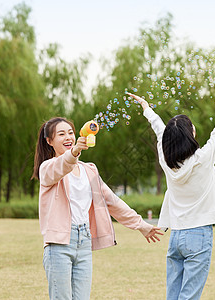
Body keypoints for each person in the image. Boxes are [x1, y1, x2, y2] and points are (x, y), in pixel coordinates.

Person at [128, 72, 215, 299]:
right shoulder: (204, 158)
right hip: (199, 235)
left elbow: (159, 129)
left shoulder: (166, 160)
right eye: (192, 127)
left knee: (173, 295)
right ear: (190, 135)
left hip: (176, 235)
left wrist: (146, 108)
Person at [31, 117, 163, 300]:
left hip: (84, 242)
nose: (68, 136)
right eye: (61, 134)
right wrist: (75, 151)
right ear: (49, 141)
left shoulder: (89, 170)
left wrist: (140, 224)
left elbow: (112, 201)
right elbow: (61, 166)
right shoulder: (47, 168)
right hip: (59, 244)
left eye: (70, 132)